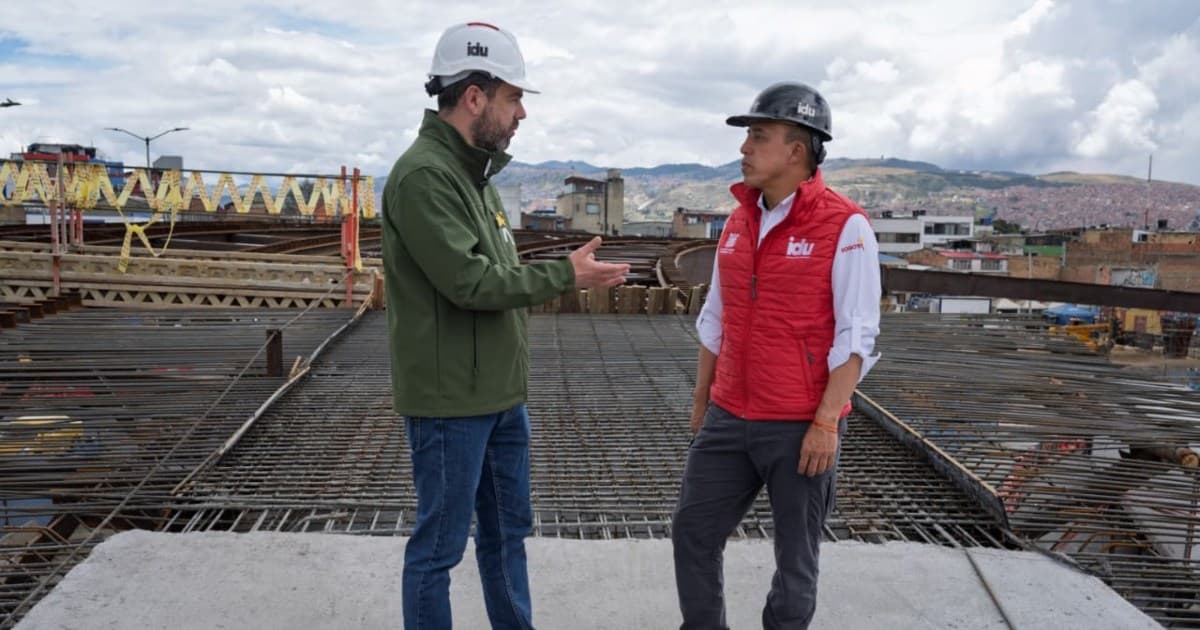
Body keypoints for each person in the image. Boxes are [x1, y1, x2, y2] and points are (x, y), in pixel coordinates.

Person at [381, 22, 630, 630]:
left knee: (506, 536)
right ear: (475, 95)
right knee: (439, 550)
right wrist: (563, 275)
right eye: (513, 97)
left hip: (497, 396)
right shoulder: (424, 178)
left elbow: (497, 272)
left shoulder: (473, 176)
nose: (521, 113)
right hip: (450, 402)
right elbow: (470, 283)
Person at [671, 82, 882, 630]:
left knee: (795, 563)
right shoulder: (739, 220)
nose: (744, 149)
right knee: (692, 533)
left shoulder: (846, 227)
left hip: (798, 426)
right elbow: (715, 317)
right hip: (727, 418)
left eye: (758, 137)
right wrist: (702, 403)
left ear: (797, 150)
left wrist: (825, 422)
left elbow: (856, 336)